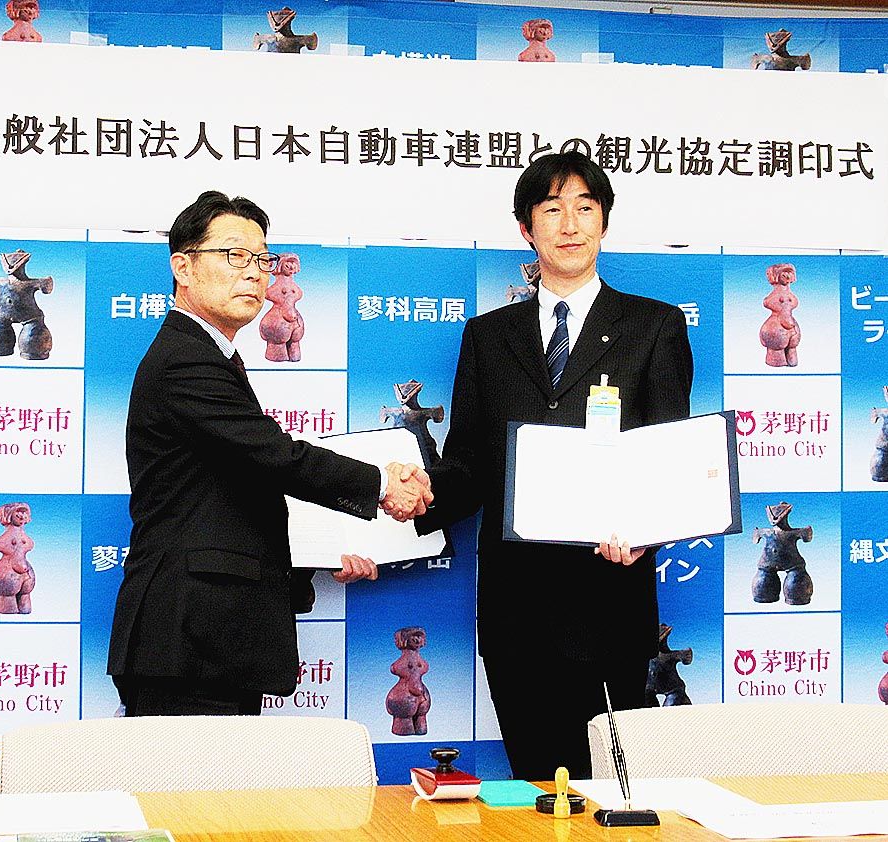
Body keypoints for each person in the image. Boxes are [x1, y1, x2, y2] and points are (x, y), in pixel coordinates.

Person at [416, 152, 693, 779]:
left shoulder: (653, 326)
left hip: (609, 597)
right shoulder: (487, 336)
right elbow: (467, 465)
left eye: (584, 208)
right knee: (536, 788)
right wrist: (393, 507)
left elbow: (666, 458)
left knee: (611, 793)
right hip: (515, 606)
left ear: (604, 223)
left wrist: (645, 530)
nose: (569, 224)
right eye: (551, 209)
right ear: (526, 228)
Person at [108, 190, 432, 717]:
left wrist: (325, 552)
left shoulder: (209, 355)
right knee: (190, 776)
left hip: (212, 639)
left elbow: (237, 491)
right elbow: (273, 455)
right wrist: (380, 486)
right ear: (183, 268)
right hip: (186, 640)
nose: (254, 273)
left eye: (261, 260)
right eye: (234, 255)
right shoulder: (184, 359)